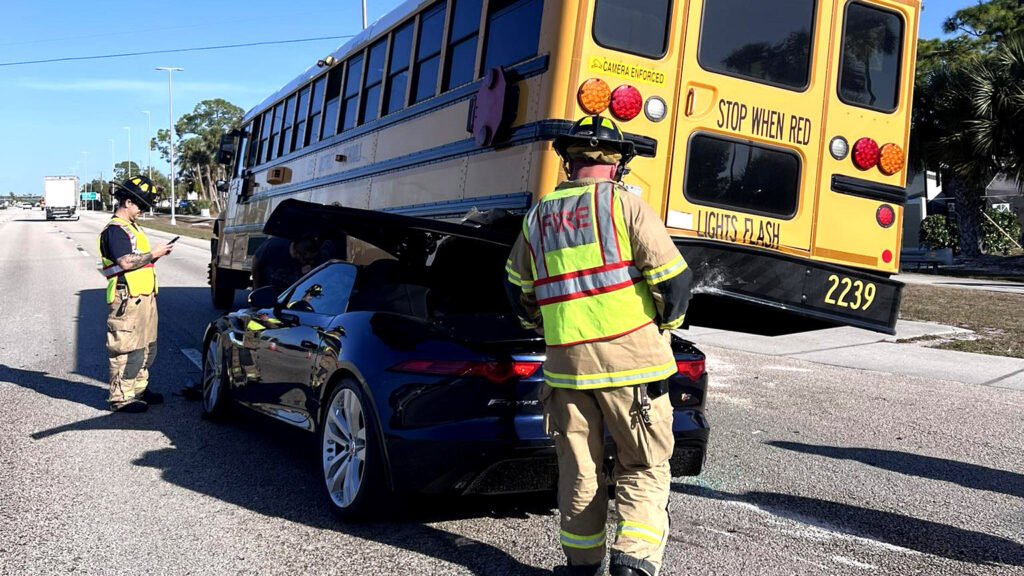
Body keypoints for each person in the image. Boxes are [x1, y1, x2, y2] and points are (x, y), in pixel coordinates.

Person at [504, 115, 693, 576]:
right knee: (643, 464)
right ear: (617, 163)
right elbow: (674, 280)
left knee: (580, 469)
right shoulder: (625, 207)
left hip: (566, 369)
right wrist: (666, 324)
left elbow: (516, 287)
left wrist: (545, 324)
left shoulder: (539, 217)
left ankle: (581, 564)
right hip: (634, 368)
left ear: (569, 163)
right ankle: (633, 561)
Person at [98, 175, 175, 413]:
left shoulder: (132, 227)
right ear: (128, 202)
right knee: (126, 348)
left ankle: (139, 389)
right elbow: (126, 262)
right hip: (127, 298)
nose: (142, 210)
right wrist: (153, 253)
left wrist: (156, 256)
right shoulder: (115, 230)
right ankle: (120, 397)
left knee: (146, 346)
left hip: (143, 296)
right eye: (141, 205)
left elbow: (138, 263)